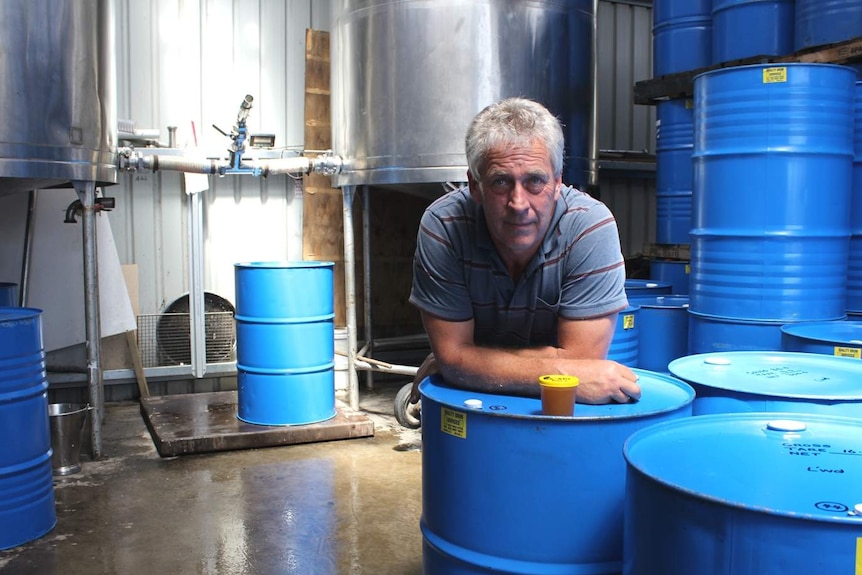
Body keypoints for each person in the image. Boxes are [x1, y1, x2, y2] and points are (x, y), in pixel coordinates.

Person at [408, 97, 641, 405]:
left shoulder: (589, 227)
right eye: (500, 182)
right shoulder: (445, 226)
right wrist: (457, 363)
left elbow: (584, 364)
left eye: (535, 181)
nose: (518, 204)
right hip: (476, 401)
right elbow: (574, 375)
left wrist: (467, 364)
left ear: (558, 183)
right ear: (474, 186)